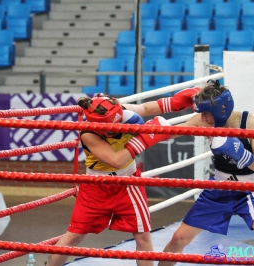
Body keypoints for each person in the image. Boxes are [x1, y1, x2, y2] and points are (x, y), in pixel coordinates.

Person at [125, 80, 254, 265]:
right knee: (178, 239)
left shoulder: (252, 123)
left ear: (221, 110)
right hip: (219, 188)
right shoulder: (205, 121)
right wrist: (140, 129)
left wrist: (240, 154)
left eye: (207, 114)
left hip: (251, 189)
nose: (203, 118)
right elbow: (171, 133)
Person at [46, 93, 184, 266]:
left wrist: (182, 102)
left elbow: (147, 108)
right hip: (96, 188)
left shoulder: (122, 112)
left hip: (128, 184)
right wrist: (144, 139)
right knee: (74, 236)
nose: (116, 127)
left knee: (142, 236)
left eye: (117, 122)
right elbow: (115, 160)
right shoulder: (88, 133)